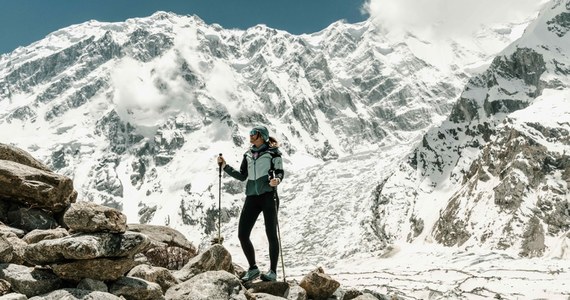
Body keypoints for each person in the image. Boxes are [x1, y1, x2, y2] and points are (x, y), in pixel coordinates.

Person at [217, 125, 284, 282]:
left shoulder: (274, 153)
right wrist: (225, 166)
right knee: (242, 234)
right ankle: (253, 268)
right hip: (252, 197)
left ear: (262, 136)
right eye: (251, 133)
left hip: (269, 196)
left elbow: (280, 172)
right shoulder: (248, 154)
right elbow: (242, 176)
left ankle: (273, 272)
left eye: (254, 133)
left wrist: (277, 180)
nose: (251, 135)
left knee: (271, 234)